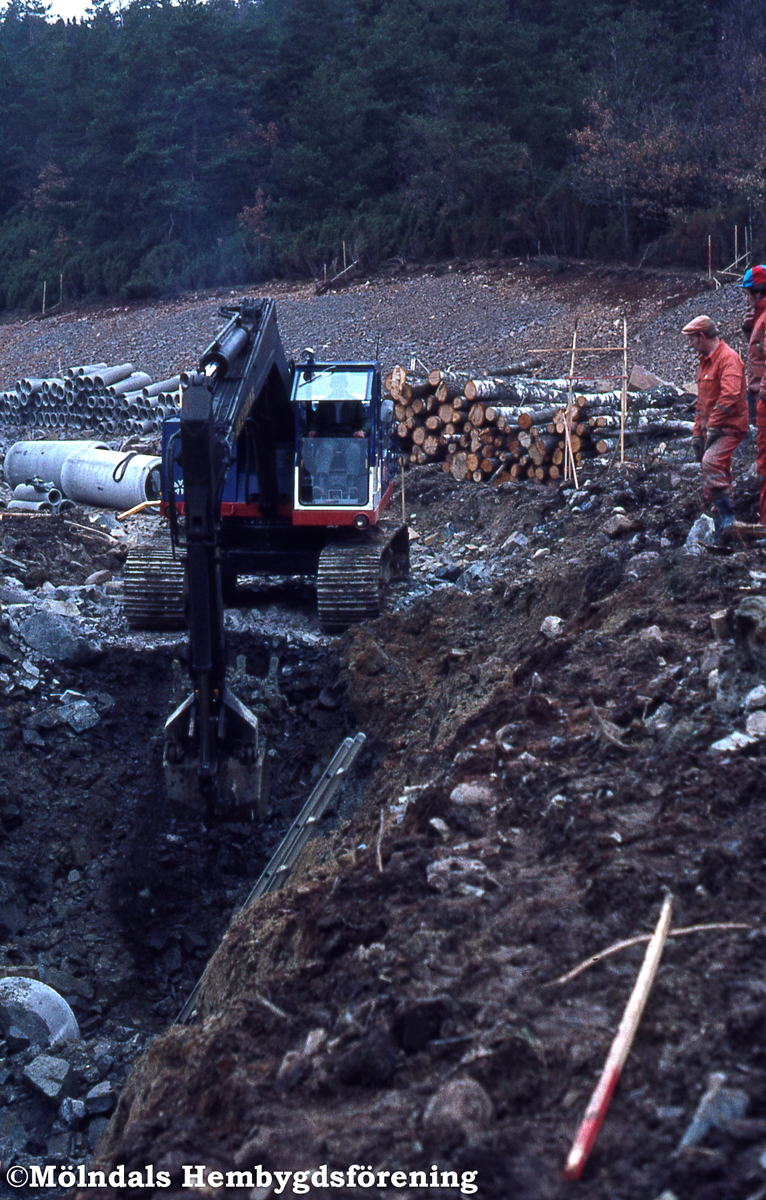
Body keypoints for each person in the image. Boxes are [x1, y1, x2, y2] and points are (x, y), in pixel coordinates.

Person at [683, 314, 748, 540]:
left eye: (692, 340)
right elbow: (701, 403)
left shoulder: (728, 359)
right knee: (714, 467)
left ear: (702, 336)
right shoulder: (704, 363)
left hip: (730, 427)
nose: (690, 346)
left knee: (711, 462)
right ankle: (719, 520)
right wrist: (697, 435)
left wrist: (713, 427)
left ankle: (727, 519)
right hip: (713, 428)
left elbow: (729, 397)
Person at [741, 265, 766, 426]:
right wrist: (748, 330)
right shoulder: (760, 316)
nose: (747, 300)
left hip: (762, 397)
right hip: (758, 394)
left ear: (757, 294)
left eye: (747, 295)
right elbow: (759, 350)